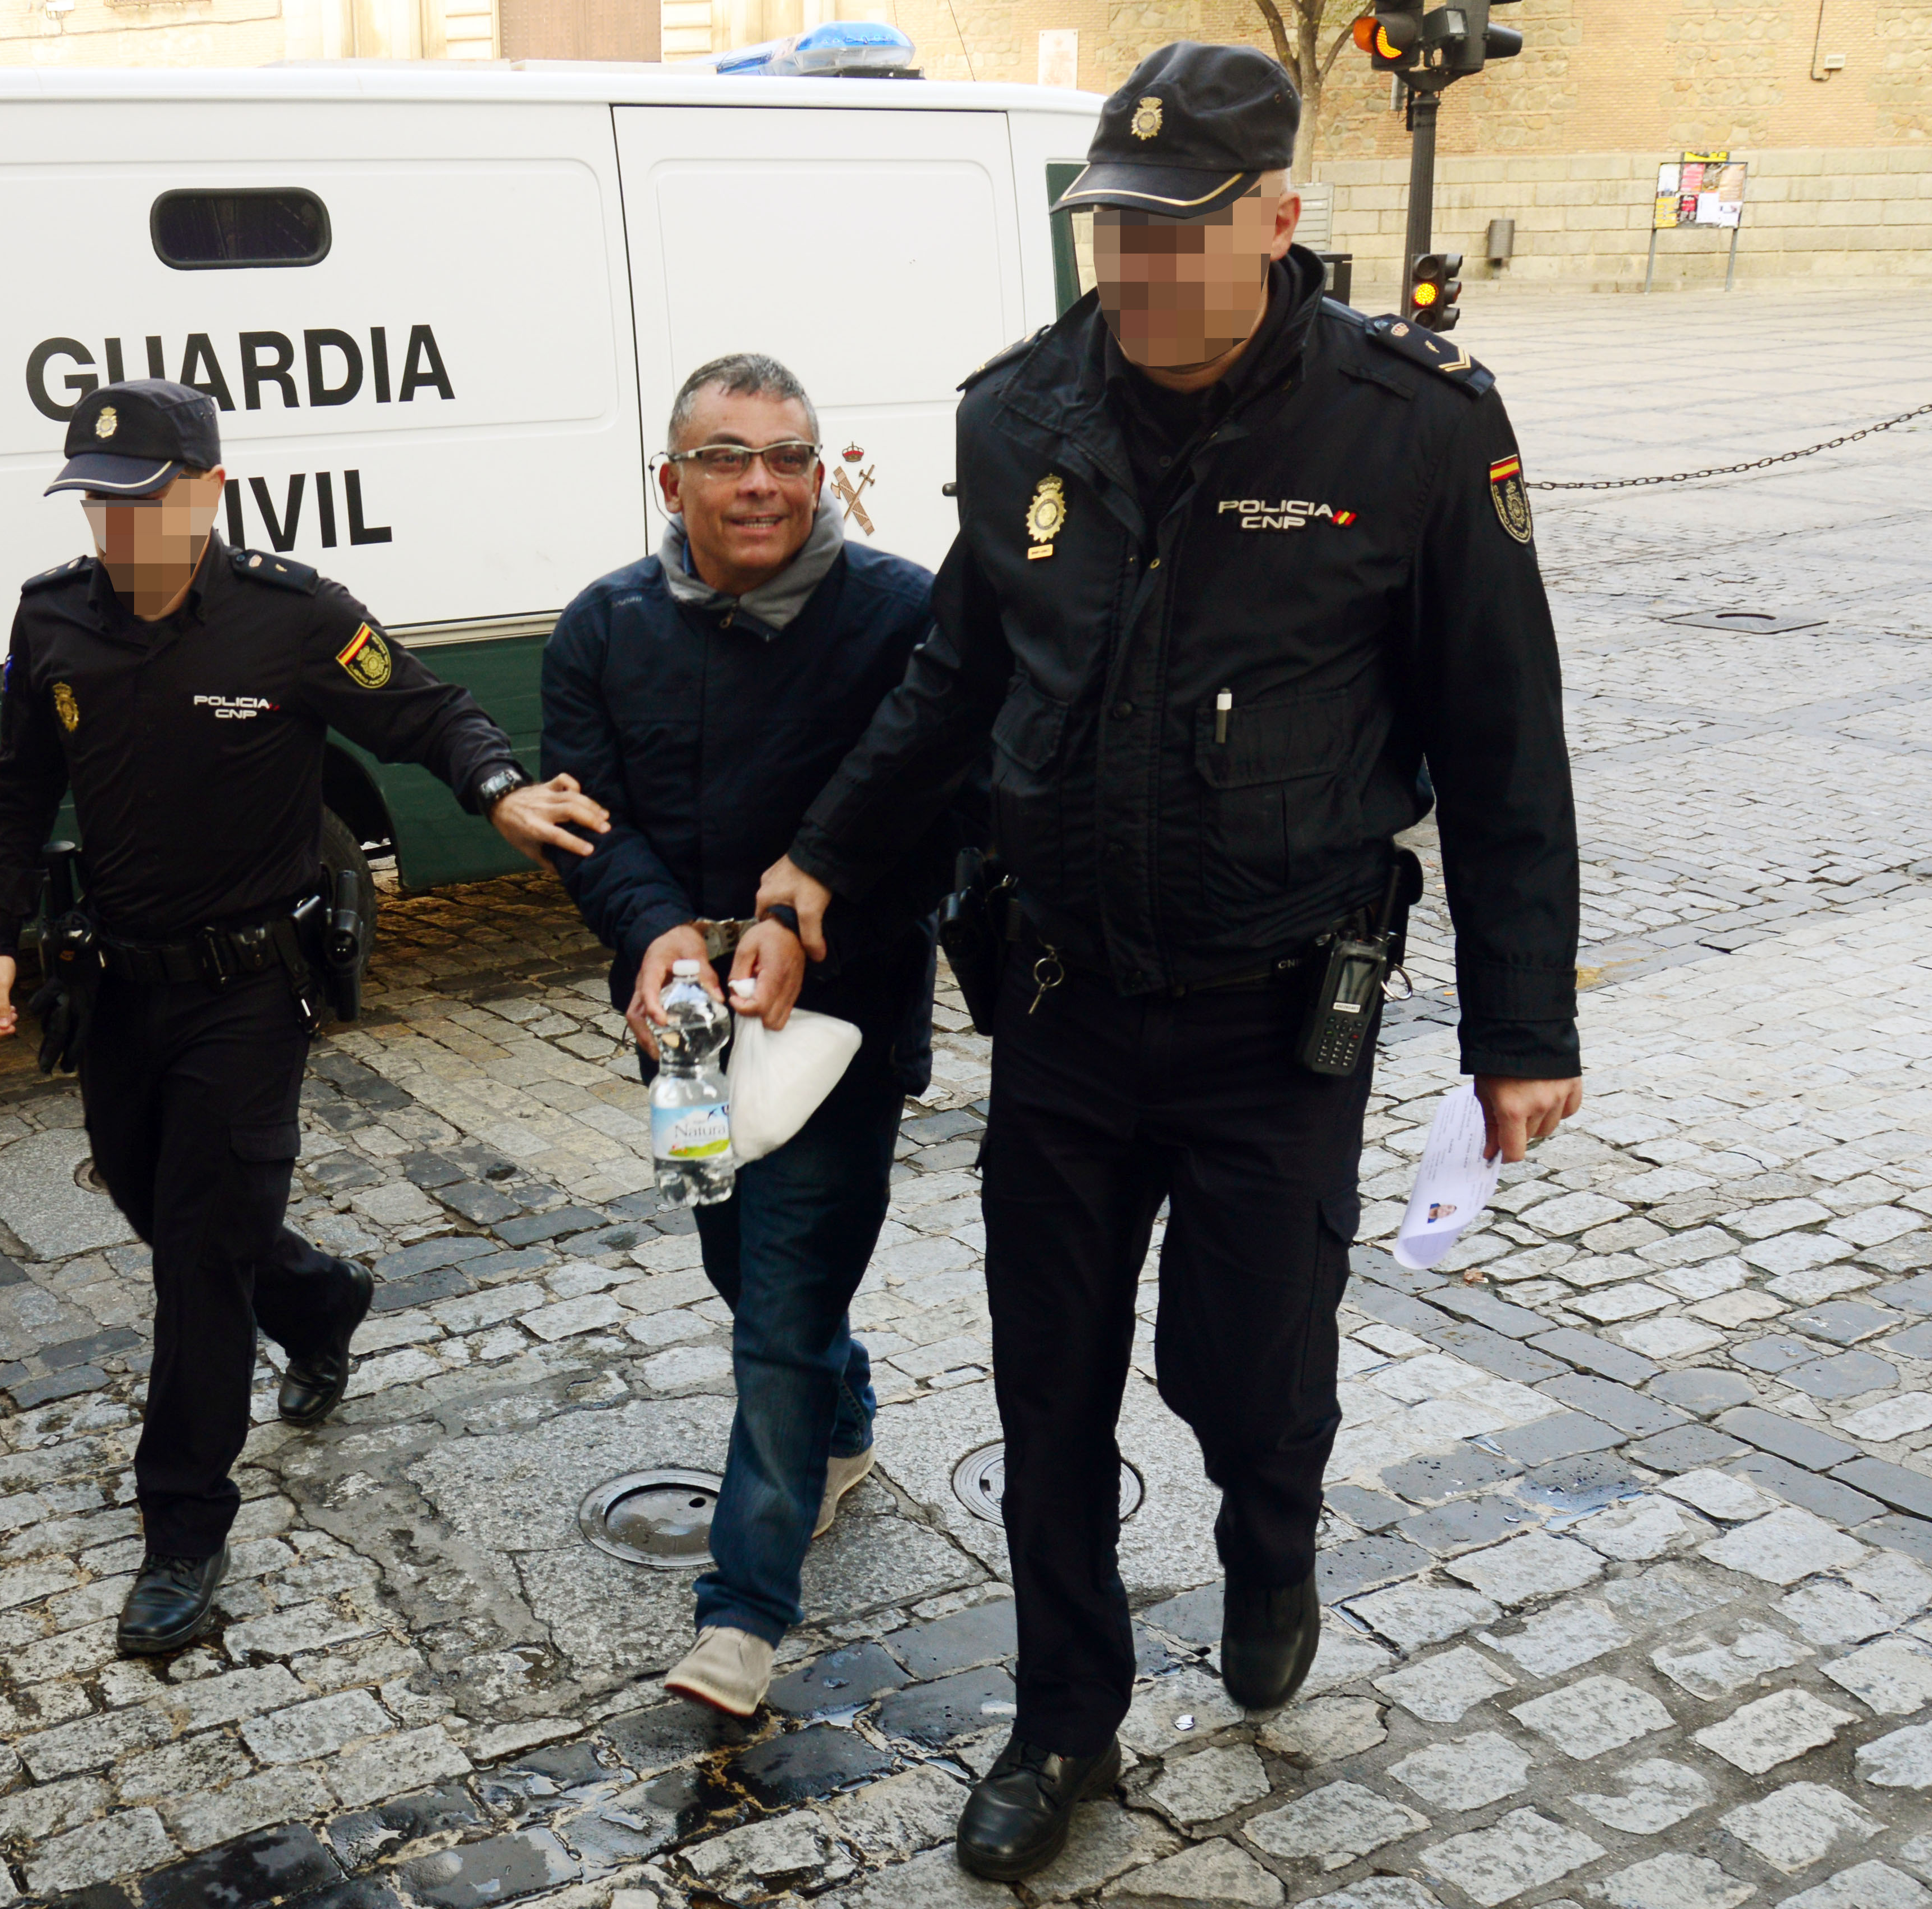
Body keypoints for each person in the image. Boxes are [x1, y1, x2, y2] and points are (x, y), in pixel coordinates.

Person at [746, 43, 1584, 1881]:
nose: (1129, 268)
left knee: (1243, 1368)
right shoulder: (1018, 411)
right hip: (1054, 1007)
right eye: (1107, 228)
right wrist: (812, 857)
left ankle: (1266, 1535)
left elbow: (1502, 738)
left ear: (1277, 218)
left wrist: (1521, 1023)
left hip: (1273, 1021)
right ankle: (1062, 1719)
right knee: (1048, 1380)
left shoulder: (1415, 425)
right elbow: (956, 671)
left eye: (1174, 231)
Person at [0, 378, 610, 1655]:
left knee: (197, 1256)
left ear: (206, 490)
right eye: (95, 503)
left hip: (251, 991)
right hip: (118, 985)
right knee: (161, 1201)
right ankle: (317, 1301)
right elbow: (14, 790)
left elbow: (427, 708)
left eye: (139, 501)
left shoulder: (292, 616)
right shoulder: (52, 622)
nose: (115, 529)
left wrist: (496, 791)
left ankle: (183, 1531)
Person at [541, 353, 965, 1719]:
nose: (760, 482)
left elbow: (938, 811)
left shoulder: (904, 614)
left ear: (821, 467)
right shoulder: (602, 625)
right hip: (680, 1033)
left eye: (787, 453)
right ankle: (842, 1419)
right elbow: (592, 821)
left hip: (834, 1017)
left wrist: (820, 901)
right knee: (731, 1250)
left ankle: (742, 1609)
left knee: (780, 1298)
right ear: (671, 479)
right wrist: (651, 925)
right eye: (727, 456)